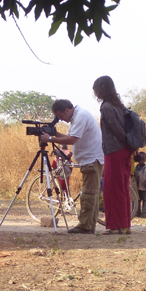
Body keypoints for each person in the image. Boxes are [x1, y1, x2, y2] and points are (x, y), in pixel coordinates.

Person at [39, 99, 104, 234]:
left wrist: (50, 139)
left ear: (67, 110)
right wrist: (54, 134)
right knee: (92, 193)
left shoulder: (80, 116)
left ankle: (85, 226)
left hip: (91, 159)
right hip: (89, 159)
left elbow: (72, 139)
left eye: (62, 117)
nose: (63, 120)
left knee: (88, 194)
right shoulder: (77, 116)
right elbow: (70, 137)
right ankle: (88, 225)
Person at [93, 76, 132, 235]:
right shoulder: (119, 106)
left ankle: (116, 225)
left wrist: (126, 142)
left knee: (112, 188)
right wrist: (131, 145)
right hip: (124, 151)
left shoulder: (106, 107)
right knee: (123, 187)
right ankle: (125, 225)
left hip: (114, 151)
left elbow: (116, 129)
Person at [134, 152, 146, 218]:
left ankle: (145, 213)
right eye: (140, 159)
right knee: (138, 200)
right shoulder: (135, 168)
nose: (141, 160)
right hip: (137, 187)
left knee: (145, 200)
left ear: (145, 159)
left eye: (143, 159)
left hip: (145, 187)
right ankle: (137, 213)